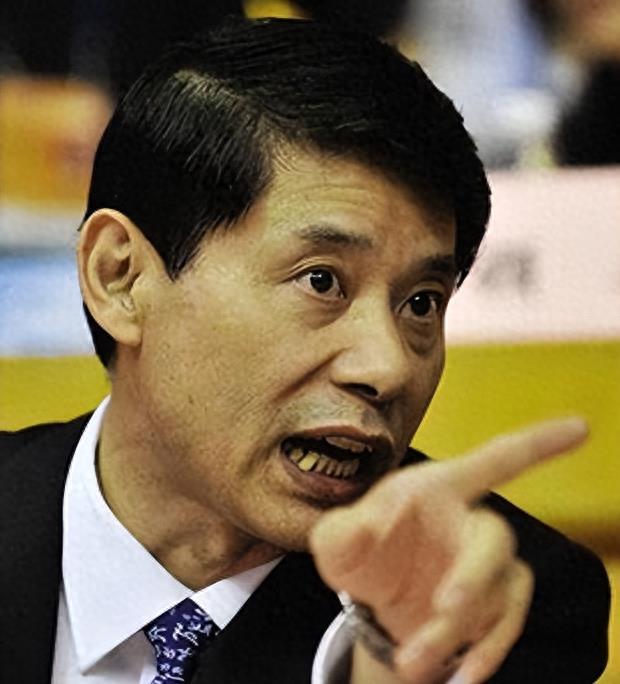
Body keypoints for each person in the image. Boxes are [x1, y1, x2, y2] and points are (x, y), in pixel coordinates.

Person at [0, 17, 610, 684]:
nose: (386, 367)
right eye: (321, 281)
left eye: (421, 303)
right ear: (121, 277)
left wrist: (388, 664)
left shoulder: (484, 607)